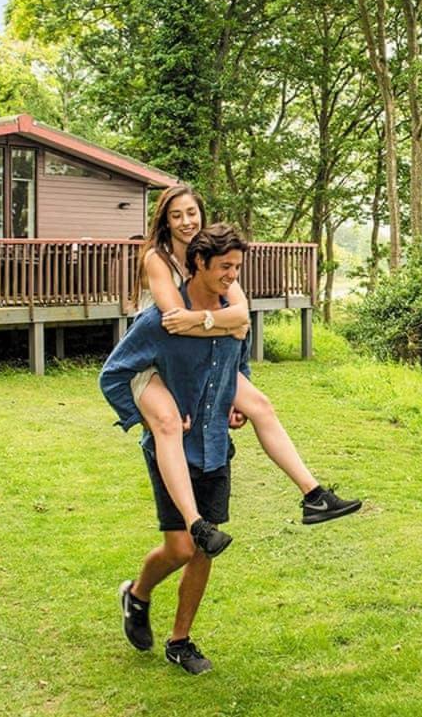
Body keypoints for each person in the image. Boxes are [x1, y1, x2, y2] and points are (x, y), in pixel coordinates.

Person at [100, 220, 360, 673]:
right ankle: (137, 594)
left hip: (216, 446)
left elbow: (239, 370)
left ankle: (180, 640)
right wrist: (145, 413)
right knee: (179, 549)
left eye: (237, 268)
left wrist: (235, 407)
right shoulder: (161, 321)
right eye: (224, 267)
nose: (231, 277)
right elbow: (112, 374)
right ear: (198, 263)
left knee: (204, 549)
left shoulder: (232, 318)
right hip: (173, 450)